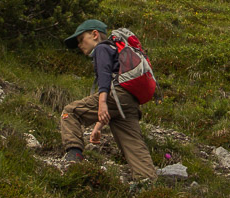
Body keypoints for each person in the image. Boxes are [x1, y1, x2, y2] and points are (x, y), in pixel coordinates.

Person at [60, 19, 157, 184]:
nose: (79, 45)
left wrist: (102, 101)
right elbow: (113, 105)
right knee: (133, 143)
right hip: (129, 101)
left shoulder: (102, 48)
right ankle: (148, 182)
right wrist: (99, 125)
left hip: (115, 95)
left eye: (80, 39)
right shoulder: (115, 49)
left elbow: (105, 76)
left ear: (95, 34)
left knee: (70, 112)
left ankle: (73, 156)